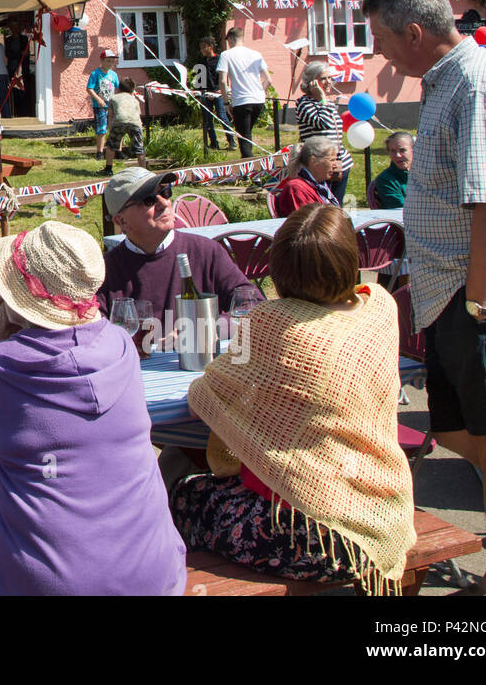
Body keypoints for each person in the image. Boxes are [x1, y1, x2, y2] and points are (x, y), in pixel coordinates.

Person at [365, 0, 486, 595]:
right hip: (459, 295)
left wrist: (479, 302)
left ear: (414, 32)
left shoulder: (477, 82)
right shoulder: (450, 81)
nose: (380, 53)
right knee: (457, 432)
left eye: (383, 39)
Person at [172, 205, 416, 593]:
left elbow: (205, 395)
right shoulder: (379, 306)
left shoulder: (273, 322)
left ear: (279, 269)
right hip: (386, 507)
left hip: (313, 533)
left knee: (181, 498)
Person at [0, 221, 187, 595]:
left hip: (48, 584)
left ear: (16, 300)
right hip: (154, 574)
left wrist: (1, 340)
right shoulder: (121, 346)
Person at [96, 167, 260, 342]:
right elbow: (93, 335)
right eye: (149, 200)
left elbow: (255, 307)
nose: (164, 203)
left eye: (165, 192)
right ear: (122, 221)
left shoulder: (206, 252)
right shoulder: (103, 271)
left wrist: (204, 331)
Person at [293, 60, 353, 204]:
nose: (328, 82)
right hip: (319, 165)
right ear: (312, 82)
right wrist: (322, 99)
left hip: (340, 164)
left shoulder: (328, 102)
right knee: (322, 206)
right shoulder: (304, 103)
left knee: (336, 206)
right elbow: (323, 123)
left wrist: (324, 101)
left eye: (329, 78)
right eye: (323, 79)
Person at [217, 28, 272, 158]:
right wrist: (259, 92)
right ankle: (250, 169)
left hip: (241, 100)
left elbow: (223, 81)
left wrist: (226, 103)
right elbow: (269, 80)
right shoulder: (256, 54)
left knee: (244, 137)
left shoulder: (226, 55)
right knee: (247, 133)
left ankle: (251, 172)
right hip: (258, 100)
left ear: (230, 39)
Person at [272, 137, 340, 217]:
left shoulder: (319, 185)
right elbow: (307, 224)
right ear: (313, 161)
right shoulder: (296, 188)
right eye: (332, 160)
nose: (336, 165)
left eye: (336, 160)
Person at [192, 37, 231, 150]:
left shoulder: (220, 59)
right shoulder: (201, 62)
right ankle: (214, 142)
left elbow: (223, 76)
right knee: (208, 119)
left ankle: (231, 140)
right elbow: (198, 81)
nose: (202, 50)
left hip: (218, 93)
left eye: (204, 47)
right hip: (206, 94)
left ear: (211, 46)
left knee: (222, 116)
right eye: (201, 48)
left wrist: (219, 90)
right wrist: (200, 94)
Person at [104, 76, 144, 172]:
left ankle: (108, 169)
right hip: (135, 122)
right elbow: (138, 115)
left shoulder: (113, 98)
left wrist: (110, 129)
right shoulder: (135, 100)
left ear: (119, 88)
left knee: (111, 145)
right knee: (139, 147)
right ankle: (144, 170)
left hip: (120, 120)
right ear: (133, 90)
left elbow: (110, 115)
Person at [87, 49, 120, 164]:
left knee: (115, 128)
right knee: (101, 129)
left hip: (112, 105)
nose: (110, 64)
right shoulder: (95, 74)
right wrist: (98, 99)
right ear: (102, 60)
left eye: (112, 62)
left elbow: (118, 88)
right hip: (100, 105)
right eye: (108, 61)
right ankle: (100, 152)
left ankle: (117, 150)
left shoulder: (114, 75)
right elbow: (89, 88)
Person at [372, 131, 413, 208]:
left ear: (413, 149)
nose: (397, 155)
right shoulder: (385, 180)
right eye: (393, 151)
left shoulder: (425, 174)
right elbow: (400, 208)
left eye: (402, 150)